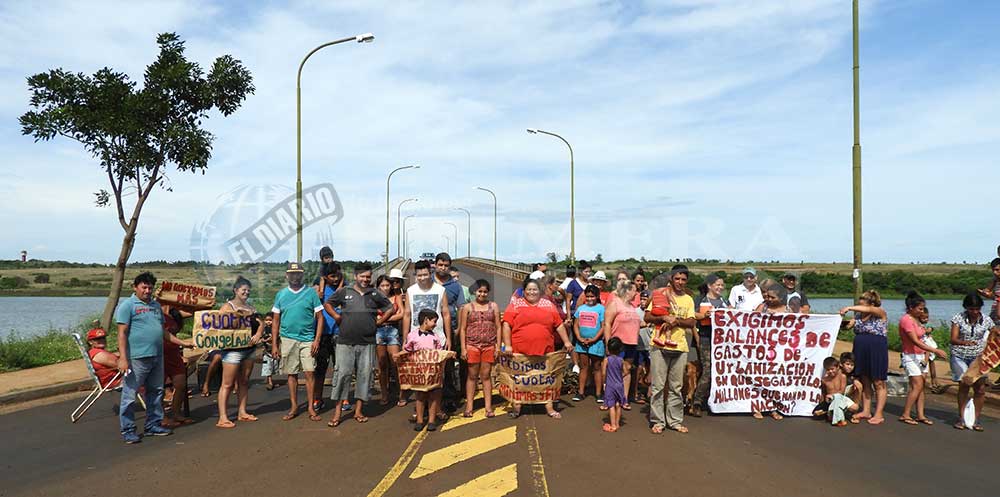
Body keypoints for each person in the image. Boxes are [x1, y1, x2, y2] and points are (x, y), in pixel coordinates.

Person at [115, 272, 193, 444]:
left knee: (156, 392)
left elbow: (163, 332)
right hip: (136, 358)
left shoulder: (156, 306)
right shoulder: (128, 306)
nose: (147, 291)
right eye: (144, 287)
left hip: (157, 356)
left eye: (150, 288)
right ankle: (128, 429)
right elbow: (122, 333)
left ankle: (153, 425)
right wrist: (123, 358)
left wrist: (183, 343)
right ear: (135, 287)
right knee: (130, 394)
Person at [324, 262, 394, 428]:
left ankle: (358, 411)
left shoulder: (375, 294)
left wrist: (380, 321)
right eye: (362, 276)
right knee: (343, 375)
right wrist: (336, 316)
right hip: (345, 341)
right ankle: (337, 413)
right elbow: (328, 304)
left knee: (364, 375)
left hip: (367, 341)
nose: (365, 279)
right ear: (356, 276)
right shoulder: (345, 291)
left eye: (368, 277)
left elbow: (390, 308)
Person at [500, 279, 573, 419]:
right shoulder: (515, 304)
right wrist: (507, 345)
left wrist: (567, 342)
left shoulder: (549, 305)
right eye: (529, 289)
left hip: (545, 351)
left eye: (535, 289)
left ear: (540, 291)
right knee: (518, 380)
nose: (532, 292)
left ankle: (549, 408)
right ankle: (517, 408)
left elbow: (558, 325)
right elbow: (506, 325)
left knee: (547, 379)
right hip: (519, 352)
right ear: (524, 291)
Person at [644, 267, 696, 434]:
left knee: (676, 386)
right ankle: (658, 421)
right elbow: (647, 317)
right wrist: (663, 318)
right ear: (671, 279)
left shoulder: (688, 299)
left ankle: (674, 420)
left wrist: (676, 321)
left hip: (679, 346)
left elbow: (691, 322)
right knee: (658, 386)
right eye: (677, 279)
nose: (680, 282)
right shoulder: (661, 294)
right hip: (659, 346)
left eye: (683, 279)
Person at [271, 262, 324, 422]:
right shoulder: (281, 294)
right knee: (291, 373)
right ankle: (294, 406)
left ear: (302, 275)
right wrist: (275, 344)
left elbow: (320, 318)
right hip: (287, 339)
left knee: (309, 372)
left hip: (307, 339)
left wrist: (317, 340)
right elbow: (275, 321)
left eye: (298, 274)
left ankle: (310, 407)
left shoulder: (311, 293)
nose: (295, 276)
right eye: (292, 274)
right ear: (287, 275)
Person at [215, 276, 266, 429]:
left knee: (244, 381)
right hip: (232, 351)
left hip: (249, 349)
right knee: (227, 384)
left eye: (248, 290)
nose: (246, 292)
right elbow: (222, 326)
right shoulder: (227, 307)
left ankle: (242, 412)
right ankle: (222, 417)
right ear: (235, 290)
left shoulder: (251, 307)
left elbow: (261, 323)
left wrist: (258, 334)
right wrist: (237, 316)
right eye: (244, 290)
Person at [897, 291, 947, 426]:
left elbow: (923, 338)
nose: (921, 311)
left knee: (921, 386)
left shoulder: (916, 320)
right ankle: (905, 414)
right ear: (911, 308)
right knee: (917, 385)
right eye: (919, 309)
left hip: (920, 355)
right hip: (910, 355)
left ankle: (920, 414)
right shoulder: (906, 320)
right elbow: (915, 341)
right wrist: (935, 350)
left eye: (922, 309)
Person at [839, 290, 889, 425]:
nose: (859, 305)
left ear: (871, 303)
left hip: (876, 349)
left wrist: (849, 308)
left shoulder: (880, 312)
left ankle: (879, 414)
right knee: (865, 379)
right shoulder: (859, 315)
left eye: (862, 302)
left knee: (878, 381)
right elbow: (850, 326)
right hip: (861, 349)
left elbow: (869, 309)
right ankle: (866, 410)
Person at [950, 293, 995, 431]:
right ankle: (961, 418)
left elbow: (993, 331)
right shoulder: (958, 318)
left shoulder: (986, 320)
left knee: (980, 389)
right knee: (964, 384)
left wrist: (990, 342)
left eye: (977, 309)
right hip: (960, 355)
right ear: (966, 308)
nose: (974, 312)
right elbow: (953, 338)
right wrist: (965, 342)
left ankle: (975, 419)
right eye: (971, 309)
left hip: (978, 358)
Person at [459, 279, 501, 418]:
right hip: (472, 345)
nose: (482, 294)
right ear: (475, 292)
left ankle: (488, 407)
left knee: (486, 376)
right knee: (472, 376)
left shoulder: (493, 306)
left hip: (489, 345)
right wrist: (464, 348)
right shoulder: (467, 308)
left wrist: (498, 346)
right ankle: (469, 407)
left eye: (485, 292)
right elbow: (463, 329)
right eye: (479, 291)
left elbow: (498, 327)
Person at [399, 309, 447, 431]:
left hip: (432, 373)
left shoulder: (435, 337)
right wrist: (398, 355)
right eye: (434, 321)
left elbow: (439, 352)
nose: (436, 324)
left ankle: (431, 420)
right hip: (419, 372)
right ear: (426, 320)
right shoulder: (412, 336)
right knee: (419, 396)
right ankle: (420, 420)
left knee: (433, 396)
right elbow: (408, 351)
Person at [690, 274, 727, 417]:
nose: (720, 287)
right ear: (709, 286)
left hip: (722, 341)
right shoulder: (700, 300)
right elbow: (693, 315)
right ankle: (696, 401)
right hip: (706, 338)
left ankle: (713, 400)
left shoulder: (724, 301)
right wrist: (705, 316)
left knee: (720, 371)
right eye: (717, 284)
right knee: (708, 371)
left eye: (722, 285)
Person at [313, 262, 343, 412]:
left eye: (338, 275)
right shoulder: (319, 292)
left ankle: (342, 399)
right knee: (320, 369)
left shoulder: (343, 290)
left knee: (340, 368)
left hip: (339, 333)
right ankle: (317, 398)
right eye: (332, 276)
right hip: (323, 334)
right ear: (325, 277)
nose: (336, 278)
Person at [605, 281, 639, 411]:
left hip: (631, 342)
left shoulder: (632, 306)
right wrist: (608, 343)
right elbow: (607, 323)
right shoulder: (615, 303)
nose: (636, 293)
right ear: (628, 290)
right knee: (614, 371)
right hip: (618, 343)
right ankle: (610, 399)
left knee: (627, 370)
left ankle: (623, 398)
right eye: (634, 290)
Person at [159, 303, 194, 427]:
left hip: (174, 353)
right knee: (159, 387)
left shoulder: (176, 313)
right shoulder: (154, 310)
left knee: (180, 383)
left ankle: (176, 412)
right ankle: (161, 416)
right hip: (159, 353)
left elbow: (194, 310)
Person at [374, 274, 405, 407]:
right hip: (379, 332)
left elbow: (402, 314)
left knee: (395, 362)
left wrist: (384, 319)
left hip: (392, 331)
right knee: (382, 364)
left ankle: (401, 394)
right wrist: (387, 318)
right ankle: (384, 393)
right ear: (378, 287)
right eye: (383, 285)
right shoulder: (374, 299)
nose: (385, 288)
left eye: (387, 285)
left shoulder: (396, 297)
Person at [573, 285, 607, 405]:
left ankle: (599, 393)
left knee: (596, 368)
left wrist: (594, 339)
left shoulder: (601, 309)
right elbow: (576, 325)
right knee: (584, 367)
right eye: (587, 296)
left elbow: (603, 326)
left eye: (592, 296)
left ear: (597, 296)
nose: (589, 299)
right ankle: (581, 391)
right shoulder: (580, 308)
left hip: (596, 343)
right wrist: (579, 337)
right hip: (581, 343)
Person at [816, 357, 857, 426]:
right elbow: (823, 393)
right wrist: (822, 403)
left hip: (840, 397)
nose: (830, 371)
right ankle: (839, 419)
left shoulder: (842, 376)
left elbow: (842, 391)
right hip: (830, 400)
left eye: (832, 369)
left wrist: (832, 395)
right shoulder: (824, 380)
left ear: (837, 367)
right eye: (828, 369)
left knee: (855, 407)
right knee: (816, 412)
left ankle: (835, 416)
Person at [602, 337, 628, 433]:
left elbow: (604, 373)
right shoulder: (621, 360)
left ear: (608, 348)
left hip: (610, 385)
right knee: (618, 404)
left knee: (611, 405)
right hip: (619, 385)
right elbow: (626, 372)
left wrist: (604, 382)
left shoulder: (607, 360)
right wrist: (620, 376)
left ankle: (612, 425)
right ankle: (617, 423)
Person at [633, 290, 652, 404]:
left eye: (646, 299)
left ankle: (650, 393)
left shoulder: (653, 313)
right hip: (639, 346)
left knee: (651, 370)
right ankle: (635, 392)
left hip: (651, 346)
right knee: (638, 369)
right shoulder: (636, 312)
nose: (643, 302)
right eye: (642, 299)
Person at [260, 312, 278, 391]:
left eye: (270, 320)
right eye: (266, 320)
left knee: (274, 366)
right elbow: (260, 338)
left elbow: (278, 337)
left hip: (273, 351)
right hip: (266, 352)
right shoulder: (263, 329)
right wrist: (264, 339)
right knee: (267, 367)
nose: (268, 322)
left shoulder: (276, 328)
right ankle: (269, 382)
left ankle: (271, 380)